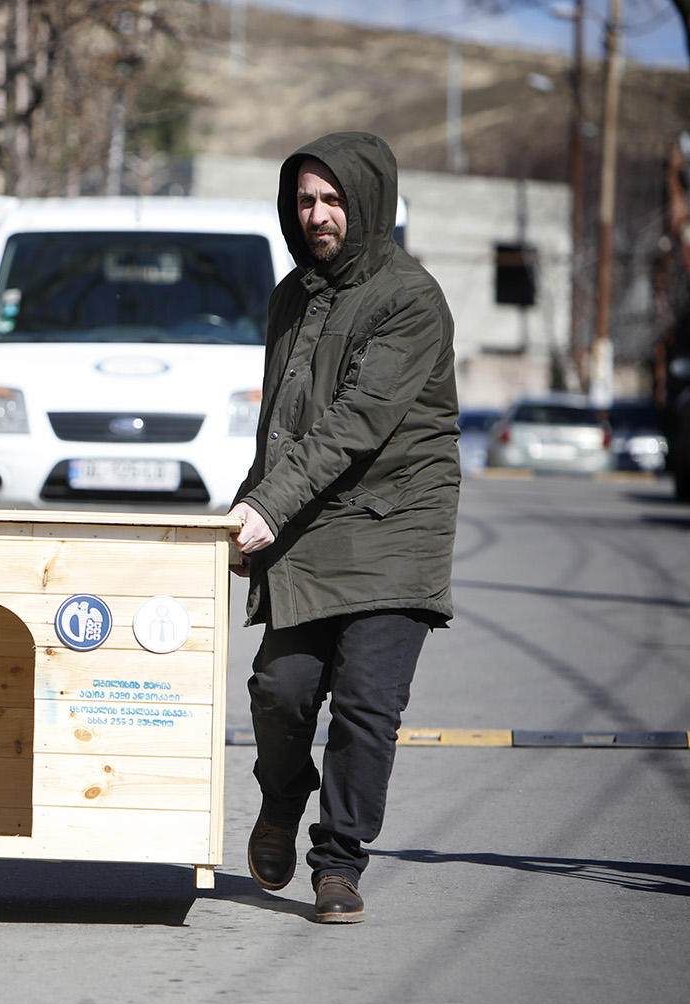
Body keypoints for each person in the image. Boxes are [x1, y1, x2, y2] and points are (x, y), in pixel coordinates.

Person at [228, 131, 459, 924]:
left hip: (397, 523)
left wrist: (269, 505)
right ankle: (283, 798)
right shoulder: (290, 295)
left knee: (366, 702)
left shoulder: (410, 299)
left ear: (369, 204)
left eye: (332, 200)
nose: (318, 215)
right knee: (279, 690)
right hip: (312, 522)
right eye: (305, 200)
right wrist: (245, 501)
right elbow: (286, 427)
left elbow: (356, 422)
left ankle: (339, 860)